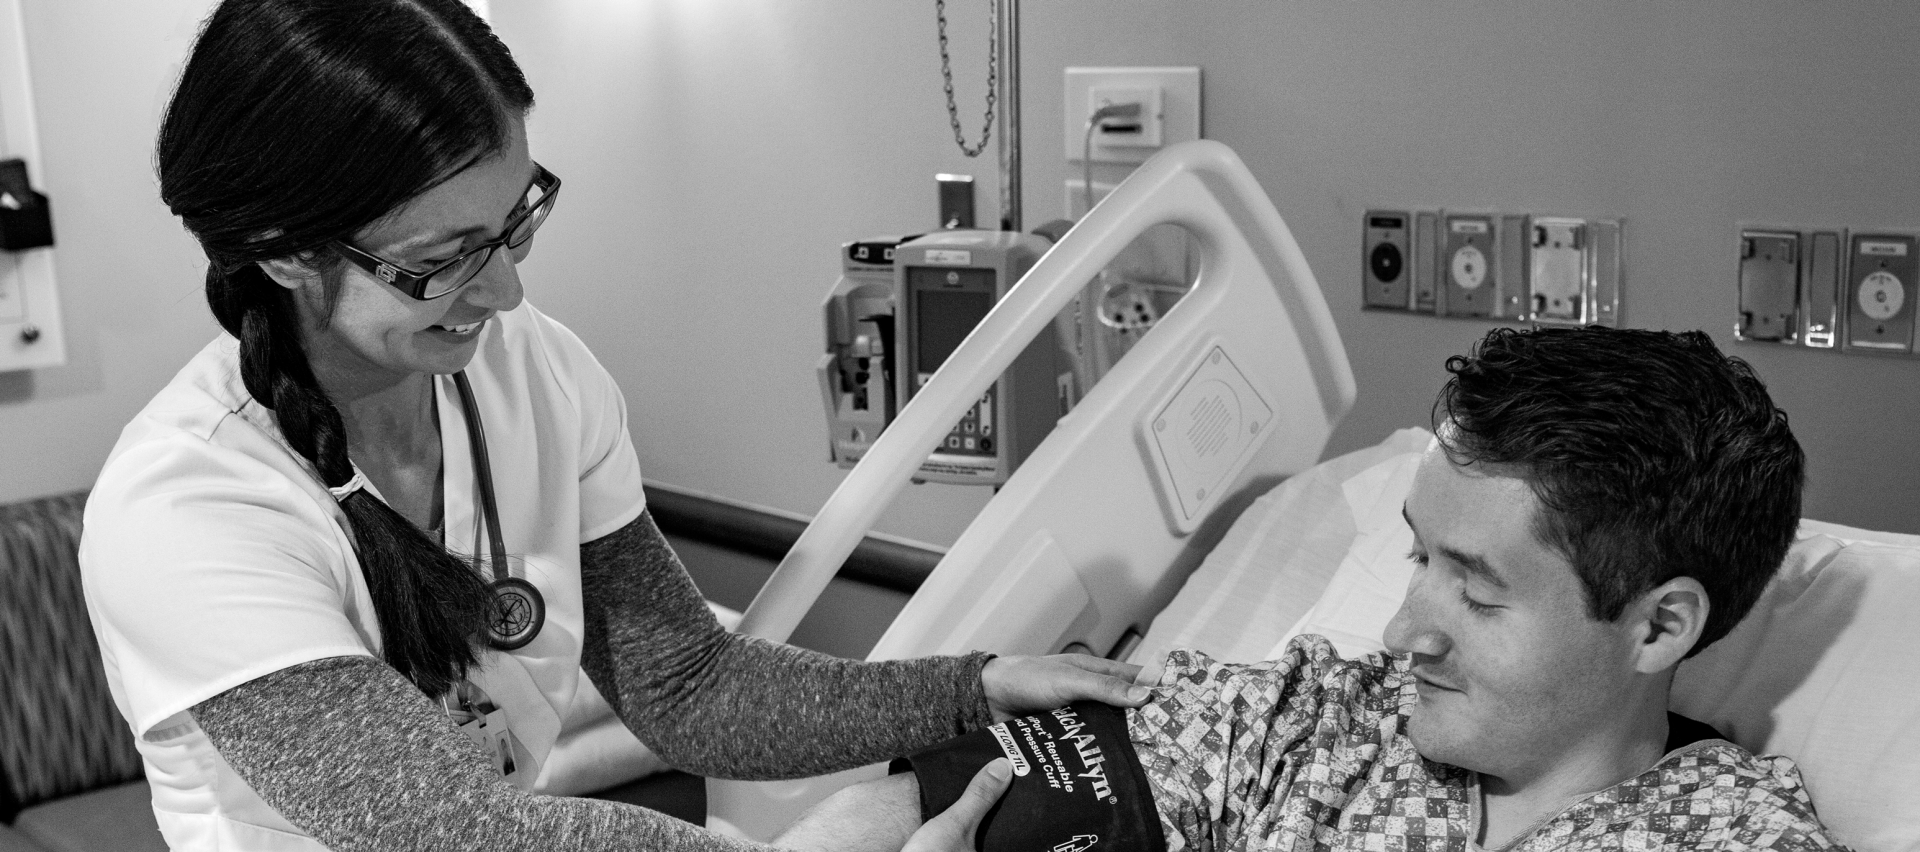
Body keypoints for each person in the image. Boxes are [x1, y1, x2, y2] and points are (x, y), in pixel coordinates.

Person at [76, 2, 1146, 849]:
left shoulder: (533, 369)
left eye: (513, 225)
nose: (498, 294)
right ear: (282, 248)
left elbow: (691, 686)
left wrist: (969, 687)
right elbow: (451, 833)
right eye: (437, 260)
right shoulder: (187, 511)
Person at [780, 326, 1848, 852]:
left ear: (1660, 625)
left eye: (1476, 595)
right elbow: (905, 816)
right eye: (1417, 557)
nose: (1400, 633)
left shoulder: (1730, 836)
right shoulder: (1310, 720)